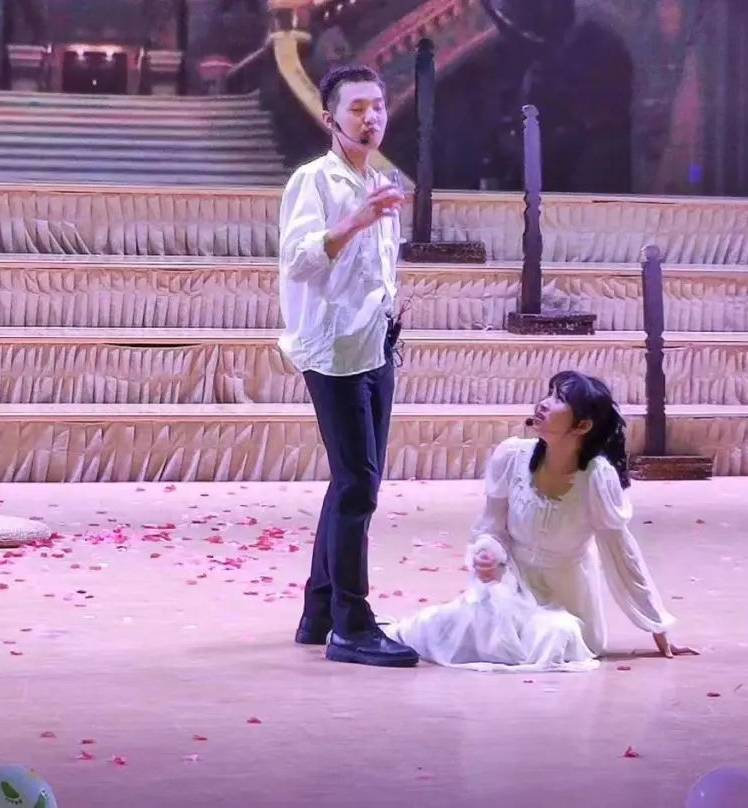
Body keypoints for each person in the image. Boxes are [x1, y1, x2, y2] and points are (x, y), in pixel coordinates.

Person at [385, 371, 699, 672]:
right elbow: (491, 528)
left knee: (557, 635)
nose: (544, 403)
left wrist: (656, 625)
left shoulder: (597, 478)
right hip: (511, 586)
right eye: (549, 394)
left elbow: (622, 554)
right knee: (443, 627)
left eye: (558, 399)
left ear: (582, 425)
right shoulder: (512, 456)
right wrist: (488, 553)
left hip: (563, 603)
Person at [277, 65, 417, 667]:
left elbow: (376, 272)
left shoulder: (380, 181)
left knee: (353, 481)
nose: (371, 117)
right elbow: (299, 260)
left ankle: (320, 612)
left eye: (377, 106)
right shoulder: (314, 181)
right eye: (357, 108)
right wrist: (356, 220)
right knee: (358, 484)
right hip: (334, 351)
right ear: (330, 118)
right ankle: (352, 625)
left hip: (374, 344)